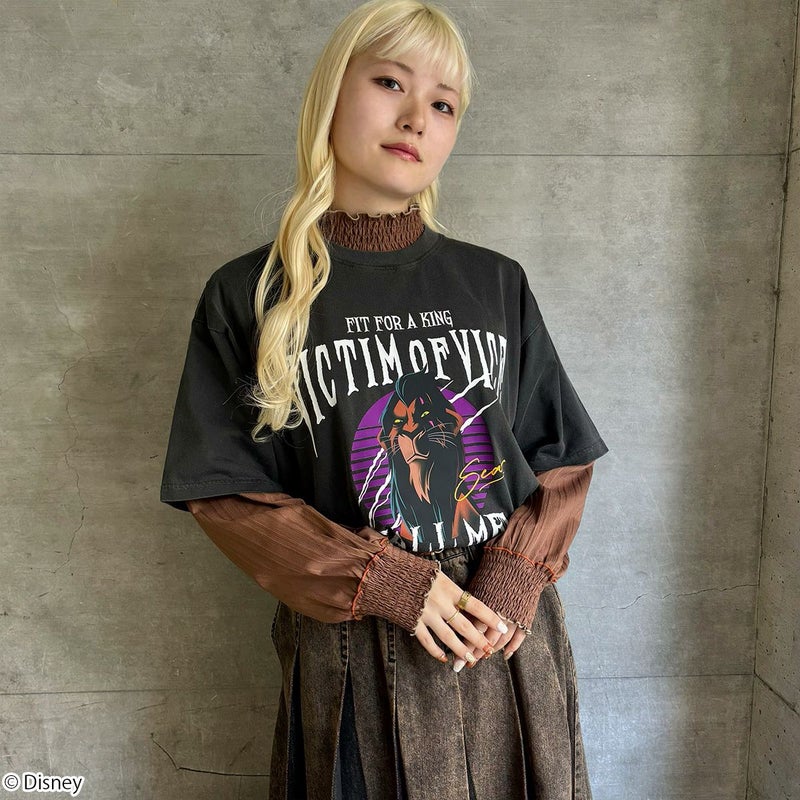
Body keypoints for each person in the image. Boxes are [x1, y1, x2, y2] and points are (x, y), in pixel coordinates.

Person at [159, 1, 609, 798]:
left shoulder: (494, 283)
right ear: (332, 93)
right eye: (391, 83)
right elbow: (224, 489)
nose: (416, 118)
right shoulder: (252, 293)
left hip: (502, 639)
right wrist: (387, 581)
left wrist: (513, 576)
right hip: (355, 651)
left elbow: (561, 453)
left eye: (444, 104)